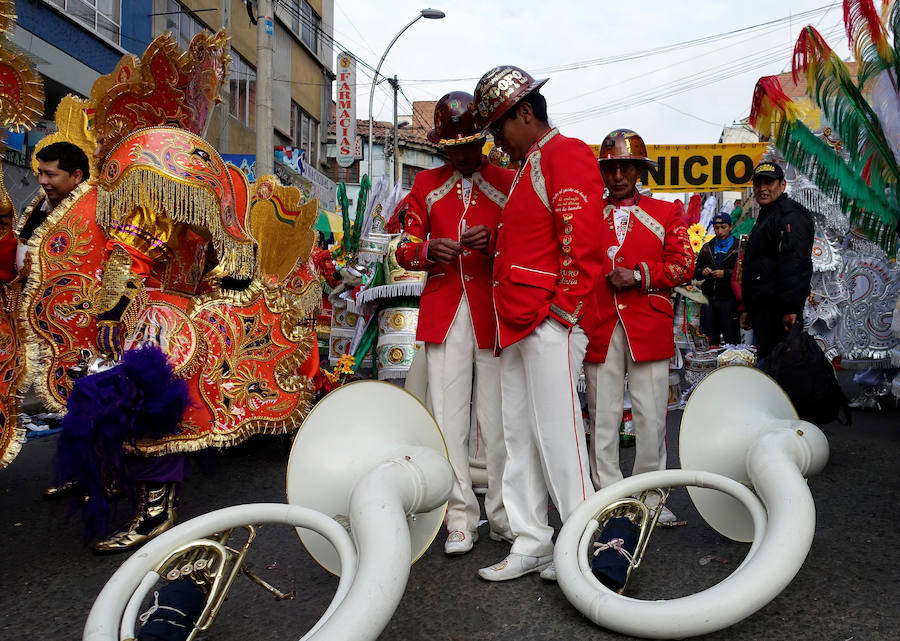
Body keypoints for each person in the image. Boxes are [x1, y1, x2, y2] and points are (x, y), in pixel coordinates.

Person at [470, 65, 603, 581]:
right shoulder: (532, 163)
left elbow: (581, 237)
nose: (496, 141)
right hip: (519, 319)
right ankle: (532, 541)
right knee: (518, 434)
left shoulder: (564, 154)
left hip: (546, 318)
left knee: (559, 435)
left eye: (499, 126)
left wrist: (562, 311)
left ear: (525, 113)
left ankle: (583, 537)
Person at [394, 91, 514, 555]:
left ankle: (503, 513)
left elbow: (529, 243)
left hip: (496, 311)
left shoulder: (507, 180)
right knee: (448, 422)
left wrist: (497, 239)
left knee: (500, 420)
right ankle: (459, 518)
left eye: (470, 144)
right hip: (445, 311)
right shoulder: (425, 185)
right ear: (442, 145)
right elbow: (403, 246)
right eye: (453, 147)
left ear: (483, 140)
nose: (463, 155)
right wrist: (427, 251)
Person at [582, 129, 694, 523]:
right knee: (603, 415)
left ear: (639, 170)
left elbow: (685, 265)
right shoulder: (586, 215)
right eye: (611, 168)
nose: (617, 176)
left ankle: (649, 499)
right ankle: (609, 498)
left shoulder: (667, 212)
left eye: (625, 167)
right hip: (598, 324)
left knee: (651, 416)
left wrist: (640, 274)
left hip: (648, 324)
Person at [740, 161, 814, 360]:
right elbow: (756, 265)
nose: (762, 188)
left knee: (783, 369)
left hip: (779, 312)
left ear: (782, 185)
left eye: (769, 182)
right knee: (770, 366)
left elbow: (795, 263)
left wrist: (791, 308)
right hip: (764, 309)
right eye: (758, 184)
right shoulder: (767, 216)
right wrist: (749, 308)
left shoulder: (789, 215)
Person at [16, 141, 90, 272]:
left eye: (50, 175)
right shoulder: (40, 205)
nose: (42, 181)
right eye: (40, 173)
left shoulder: (90, 214)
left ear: (76, 176)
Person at [695, 211, 740, 345]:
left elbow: (745, 272)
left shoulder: (739, 247)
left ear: (731, 227)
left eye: (723, 227)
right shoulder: (706, 248)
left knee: (731, 338)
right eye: (716, 228)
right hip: (708, 300)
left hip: (730, 300)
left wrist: (725, 273)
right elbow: (695, 271)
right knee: (709, 338)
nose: (719, 231)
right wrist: (702, 271)